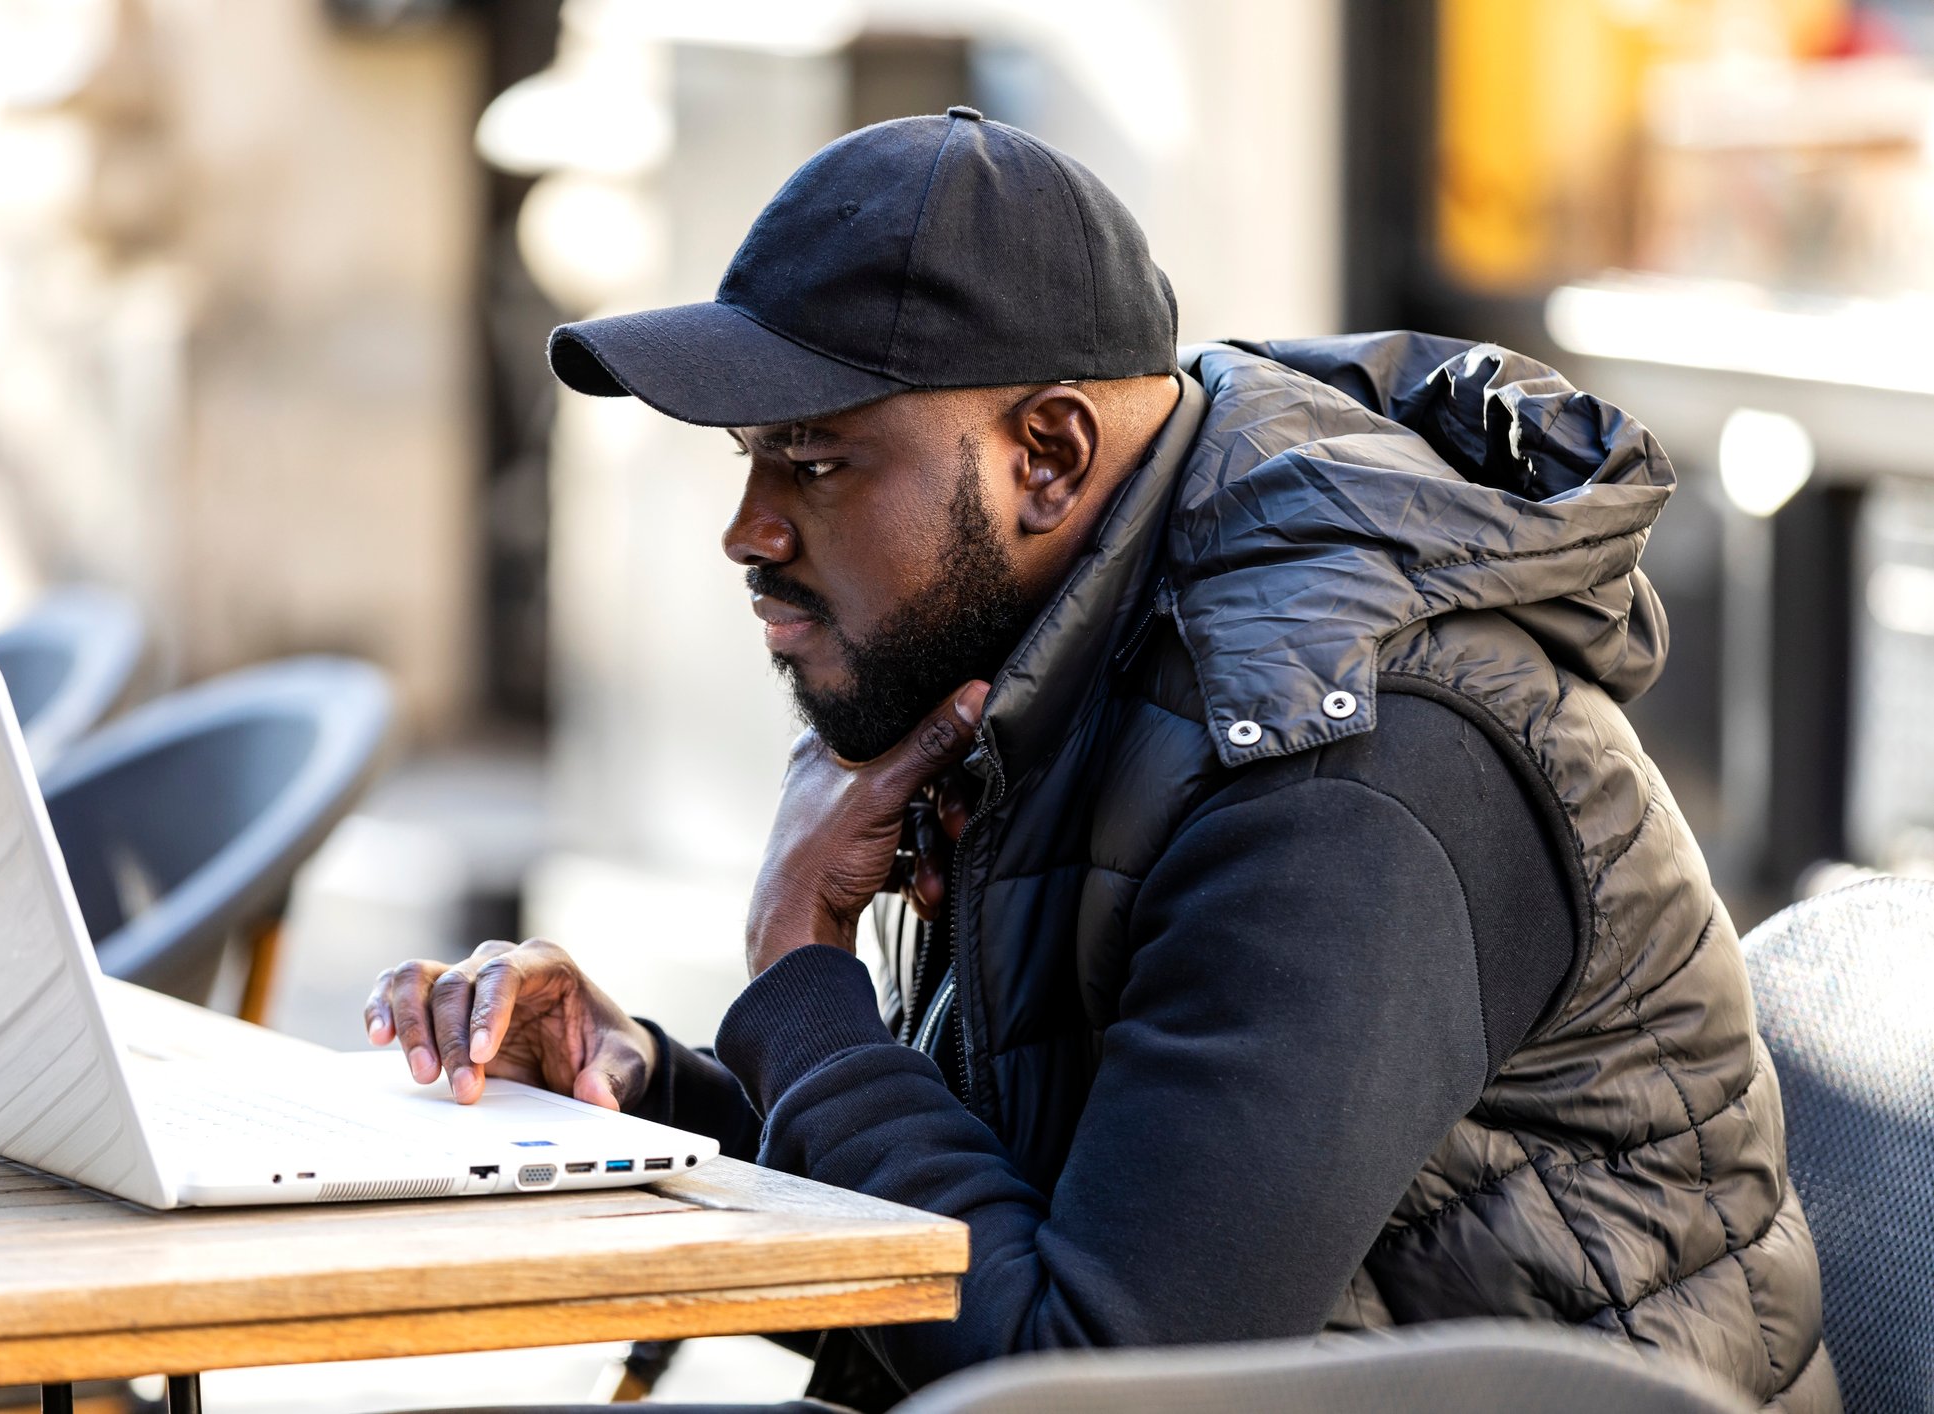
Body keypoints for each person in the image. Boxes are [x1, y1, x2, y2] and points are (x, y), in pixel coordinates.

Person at [365, 109, 1836, 1412]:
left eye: (813, 460)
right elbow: (1039, 1222)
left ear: (1051, 457)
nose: (748, 527)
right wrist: (669, 1095)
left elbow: (1092, 1375)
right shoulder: (1067, 665)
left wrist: (797, 972)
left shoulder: (1340, 766)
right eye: (749, 458)